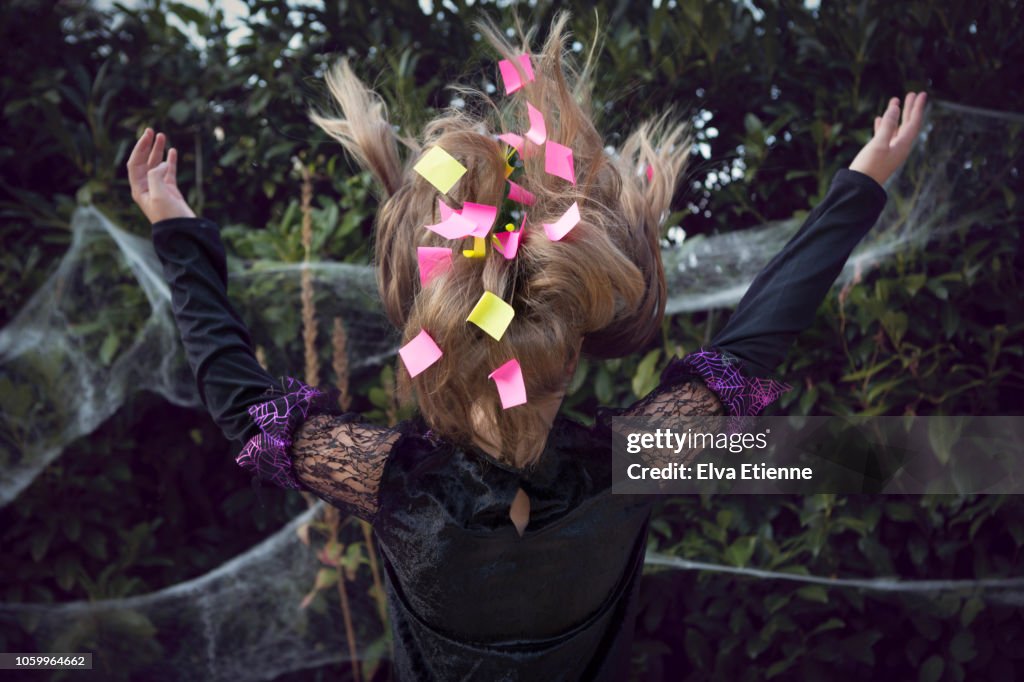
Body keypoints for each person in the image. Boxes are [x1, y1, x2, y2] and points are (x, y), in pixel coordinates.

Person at [127, 13, 925, 681]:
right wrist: (860, 185)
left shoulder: (398, 490)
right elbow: (755, 345)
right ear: (568, 351)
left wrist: (175, 230)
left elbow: (243, 410)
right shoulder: (630, 464)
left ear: (437, 347)